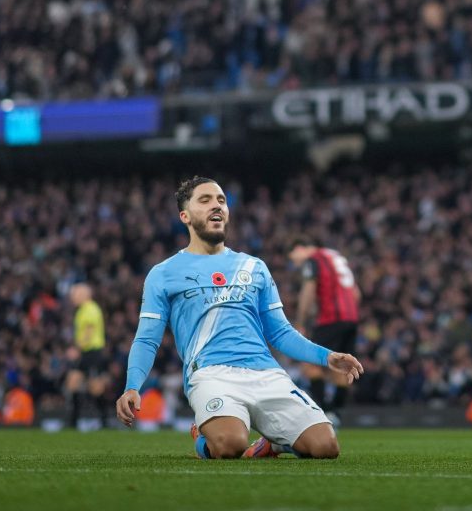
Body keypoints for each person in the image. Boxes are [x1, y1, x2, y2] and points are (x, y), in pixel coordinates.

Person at [115, 177, 363, 460]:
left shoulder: (253, 266)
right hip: (211, 374)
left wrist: (327, 357)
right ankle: (203, 435)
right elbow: (147, 339)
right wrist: (132, 386)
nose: (216, 206)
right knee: (230, 446)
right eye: (205, 200)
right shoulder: (163, 273)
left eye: (221, 200)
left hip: (267, 374)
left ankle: (273, 443)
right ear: (185, 216)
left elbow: (280, 332)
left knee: (326, 447)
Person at [289, 240, 361, 419]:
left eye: (293, 257)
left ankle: (325, 412)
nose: (294, 262)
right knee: (342, 367)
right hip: (351, 318)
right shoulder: (336, 256)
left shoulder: (313, 260)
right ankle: (336, 411)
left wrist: (300, 321)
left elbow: (308, 291)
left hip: (331, 318)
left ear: (300, 248)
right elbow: (357, 294)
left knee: (309, 363)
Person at [68, 282, 108, 427]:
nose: (72, 297)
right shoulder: (82, 309)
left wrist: (77, 349)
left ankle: (105, 420)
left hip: (92, 353)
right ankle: (73, 421)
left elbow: (89, 332)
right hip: (85, 352)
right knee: (73, 383)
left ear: (84, 295)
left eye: (74, 294)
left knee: (95, 388)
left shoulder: (90, 309)